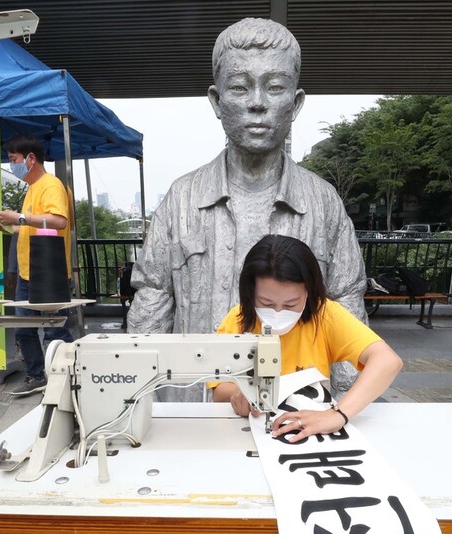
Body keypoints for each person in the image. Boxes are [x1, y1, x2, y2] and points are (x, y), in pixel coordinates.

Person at [205, 235, 404, 534]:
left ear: (310, 292)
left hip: (311, 436)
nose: (277, 314)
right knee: (218, 503)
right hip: (248, 434)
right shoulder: (238, 319)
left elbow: (386, 361)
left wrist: (339, 414)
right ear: (249, 293)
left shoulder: (326, 316)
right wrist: (235, 394)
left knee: (325, 502)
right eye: (267, 302)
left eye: (291, 303)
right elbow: (217, 385)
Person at [127, 17, 366, 345]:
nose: (257, 103)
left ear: (295, 103)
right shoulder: (181, 198)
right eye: (239, 86)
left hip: (294, 390)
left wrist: (342, 398)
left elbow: (347, 308)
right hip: (198, 391)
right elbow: (152, 301)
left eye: (275, 87)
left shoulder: (323, 203)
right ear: (217, 100)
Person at [0, 135, 74, 396]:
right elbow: (26, 227)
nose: (11, 164)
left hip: (49, 272)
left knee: (54, 328)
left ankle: (65, 376)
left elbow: (58, 221)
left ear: (31, 158)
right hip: (29, 272)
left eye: (13, 159)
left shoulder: (51, 185)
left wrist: (20, 217)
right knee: (24, 330)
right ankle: (36, 375)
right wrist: (6, 224)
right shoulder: (32, 188)